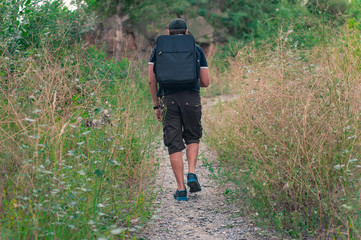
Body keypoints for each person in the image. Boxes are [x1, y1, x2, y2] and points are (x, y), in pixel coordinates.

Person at [148, 18, 210, 201]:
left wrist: (156, 105)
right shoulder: (196, 49)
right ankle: (191, 173)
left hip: (169, 99)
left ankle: (181, 190)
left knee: (174, 143)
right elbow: (205, 82)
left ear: (168, 33)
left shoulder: (157, 50)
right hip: (191, 97)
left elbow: (152, 80)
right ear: (186, 32)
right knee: (192, 136)